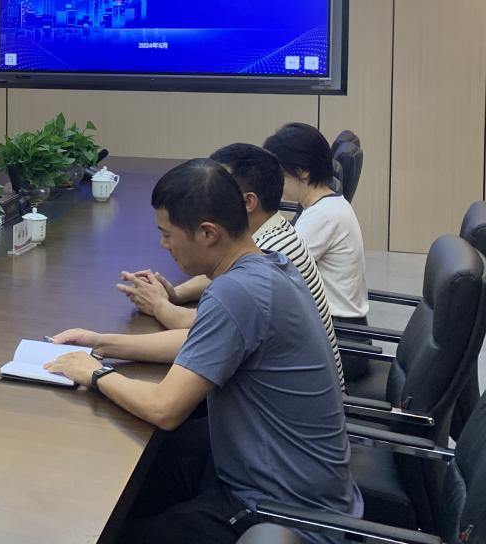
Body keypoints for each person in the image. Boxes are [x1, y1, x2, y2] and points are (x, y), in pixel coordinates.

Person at [45, 159, 360, 544]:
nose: (163, 245)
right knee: (122, 482)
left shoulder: (236, 292)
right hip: (278, 480)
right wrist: (100, 342)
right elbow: (199, 344)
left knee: (108, 525)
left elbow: (165, 408)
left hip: (276, 509)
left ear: (208, 233)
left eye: (167, 234)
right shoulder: (268, 266)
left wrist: (95, 374)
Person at [118, 143, 343, 388]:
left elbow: (199, 328)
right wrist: (175, 294)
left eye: (222, 186)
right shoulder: (265, 241)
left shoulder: (270, 254)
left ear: (247, 202)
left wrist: (159, 305)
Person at [263, 123, 369, 375]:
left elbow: (264, 272)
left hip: (341, 344)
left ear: (302, 172)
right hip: (339, 332)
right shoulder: (327, 204)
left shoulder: (323, 216)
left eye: (279, 173)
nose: (275, 182)